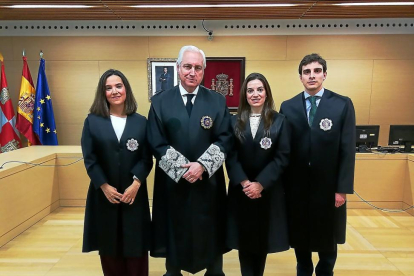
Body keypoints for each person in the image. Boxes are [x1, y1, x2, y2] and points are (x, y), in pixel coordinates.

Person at [147, 45, 232, 276]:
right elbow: (156, 142)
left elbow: (226, 138)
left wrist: (202, 166)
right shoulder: (160, 102)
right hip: (173, 185)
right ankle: (173, 271)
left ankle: (214, 271)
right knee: (175, 232)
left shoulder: (217, 101)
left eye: (197, 67)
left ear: (203, 71)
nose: (192, 72)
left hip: (209, 185)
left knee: (211, 232)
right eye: (187, 66)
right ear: (178, 68)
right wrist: (184, 170)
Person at [279, 53, 356, 276]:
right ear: (300, 77)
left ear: (324, 74)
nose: (311, 76)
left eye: (316, 71)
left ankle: (325, 271)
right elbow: (285, 149)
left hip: (329, 187)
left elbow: (347, 150)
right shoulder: (289, 106)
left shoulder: (342, 104)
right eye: (306, 72)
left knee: (327, 236)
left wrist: (342, 189)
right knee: (300, 236)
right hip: (298, 187)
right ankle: (303, 270)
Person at [81, 69, 153, 276]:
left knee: (136, 245)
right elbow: (90, 158)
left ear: (126, 89)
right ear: (102, 93)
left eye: (118, 86)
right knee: (109, 245)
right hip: (104, 195)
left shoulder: (141, 121)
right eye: (108, 88)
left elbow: (146, 158)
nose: (114, 91)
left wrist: (136, 184)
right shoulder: (92, 121)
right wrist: (103, 186)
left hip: (134, 194)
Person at [226, 73, 290, 276]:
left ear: (266, 93)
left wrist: (260, 184)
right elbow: (230, 155)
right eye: (250, 90)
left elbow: (282, 156)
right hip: (241, 191)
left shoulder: (280, 121)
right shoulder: (233, 121)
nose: (255, 94)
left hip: (267, 191)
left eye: (260, 90)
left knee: (262, 239)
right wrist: (245, 183)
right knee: (244, 239)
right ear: (245, 94)